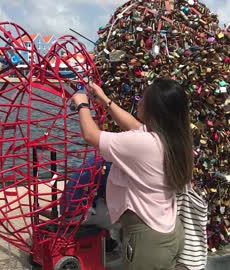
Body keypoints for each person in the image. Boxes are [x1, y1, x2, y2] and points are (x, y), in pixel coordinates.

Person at [71, 78, 192, 269]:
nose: (139, 101)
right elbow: (134, 125)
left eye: (143, 98)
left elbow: (91, 135)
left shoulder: (144, 144)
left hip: (147, 240)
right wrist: (104, 100)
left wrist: (82, 103)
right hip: (168, 232)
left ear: (154, 109)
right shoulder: (172, 137)